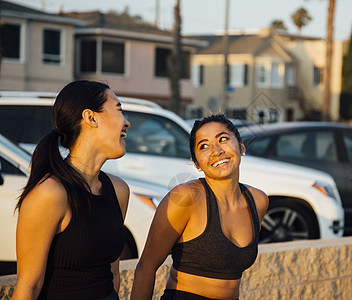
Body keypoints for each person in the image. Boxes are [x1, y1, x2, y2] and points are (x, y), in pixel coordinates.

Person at [12, 80, 131, 300]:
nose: (127, 123)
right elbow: (28, 287)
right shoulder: (50, 193)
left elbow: (113, 273)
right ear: (91, 118)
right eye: (119, 110)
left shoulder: (119, 190)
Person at [131, 114, 269, 300]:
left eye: (223, 139)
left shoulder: (258, 201)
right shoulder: (185, 198)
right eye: (204, 146)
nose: (216, 150)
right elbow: (146, 267)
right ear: (197, 163)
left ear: (241, 146)